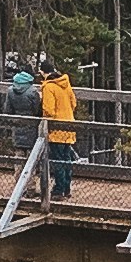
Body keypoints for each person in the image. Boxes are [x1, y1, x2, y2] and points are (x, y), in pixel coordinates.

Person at [41, 56, 78, 200]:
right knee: (66, 158)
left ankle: (58, 189)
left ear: (43, 73)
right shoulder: (65, 84)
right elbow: (73, 103)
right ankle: (67, 188)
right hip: (69, 126)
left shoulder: (48, 87)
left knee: (57, 159)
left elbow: (48, 110)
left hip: (56, 129)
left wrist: (46, 122)